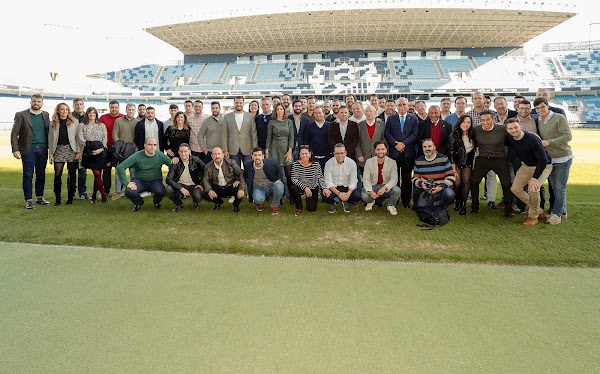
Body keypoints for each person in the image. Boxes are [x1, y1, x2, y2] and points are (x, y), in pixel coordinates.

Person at [505, 118, 553, 226]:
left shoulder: (532, 139)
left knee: (533, 189)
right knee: (515, 189)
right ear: (507, 130)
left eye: (516, 127)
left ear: (520, 126)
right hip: (527, 166)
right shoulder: (510, 138)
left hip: (543, 166)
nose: (514, 130)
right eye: (510, 129)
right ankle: (539, 211)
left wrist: (534, 178)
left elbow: (543, 160)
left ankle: (533, 216)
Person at [534, 97, 573, 225]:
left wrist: (549, 142)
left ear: (548, 106)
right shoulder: (539, 119)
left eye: (542, 107)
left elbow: (568, 136)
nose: (540, 110)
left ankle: (556, 215)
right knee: (556, 188)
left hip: (562, 157)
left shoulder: (559, 117)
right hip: (550, 159)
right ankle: (563, 212)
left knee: (559, 187)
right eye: (537, 108)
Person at [469, 111, 514, 218]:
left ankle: (508, 209)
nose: (485, 122)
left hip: (499, 159)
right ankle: (475, 207)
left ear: (493, 119)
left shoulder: (502, 129)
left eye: (488, 119)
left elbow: (516, 133)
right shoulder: (476, 129)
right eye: (483, 120)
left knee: (506, 183)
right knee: (474, 181)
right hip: (483, 158)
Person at [11, 94, 51, 209]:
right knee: (28, 175)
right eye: (34, 101)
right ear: (30, 102)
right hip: (28, 149)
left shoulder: (45, 115)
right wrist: (15, 149)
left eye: (39, 101)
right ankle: (28, 200)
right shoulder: (21, 115)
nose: (36, 103)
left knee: (41, 174)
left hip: (43, 149)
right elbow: (14, 134)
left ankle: (39, 197)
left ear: (42, 103)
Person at [117, 137, 172, 212]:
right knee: (129, 191)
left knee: (161, 191)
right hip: (140, 181)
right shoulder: (137, 155)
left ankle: (156, 202)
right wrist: (127, 183)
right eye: (150, 144)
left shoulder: (160, 155)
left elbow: (173, 165)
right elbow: (120, 167)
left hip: (155, 181)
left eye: (155, 145)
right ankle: (138, 203)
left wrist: (175, 160)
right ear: (145, 145)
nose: (152, 147)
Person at [385, 97, 420, 208]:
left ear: (408, 106)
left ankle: (405, 201)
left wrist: (403, 144)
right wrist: (396, 144)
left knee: (406, 179)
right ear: (396, 106)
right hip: (394, 154)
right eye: (399, 105)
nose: (402, 107)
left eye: (404, 104)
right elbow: (387, 133)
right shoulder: (391, 119)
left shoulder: (413, 119)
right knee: (394, 179)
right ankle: (394, 200)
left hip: (407, 153)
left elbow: (415, 134)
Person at [48, 103, 80, 205]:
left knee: (72, 174)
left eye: (66, 109)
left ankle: (70, 197)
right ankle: (58, 198)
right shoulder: (53, 123)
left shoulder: (75, 122)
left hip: (71, 150)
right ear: (58, 110)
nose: (64, 111)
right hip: (58, 150)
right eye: (62, 109)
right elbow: (50, 139)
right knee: (57, 175)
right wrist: (51, 154)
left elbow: (77, 138)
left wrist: (78, 151)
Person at [412, 139, 456, 208]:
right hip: (426, 188)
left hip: (441, 187)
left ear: (434, 147)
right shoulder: (418, 161)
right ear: (422, 148)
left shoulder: (444, 159)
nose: (427, 149)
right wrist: (421, 184)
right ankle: (433, 202)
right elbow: (415, 178)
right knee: (421, 207)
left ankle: (441, 204)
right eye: (425, 147)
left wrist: (441, 187)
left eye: (429, 146)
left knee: (449, 194)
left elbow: (451, 177)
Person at [361, 142, 401, 215]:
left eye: (382, 149)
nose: (380, 151)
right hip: (373, 186)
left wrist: (385, 188)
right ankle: (371, 201)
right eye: (378, 149)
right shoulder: (369, 162)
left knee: (397, 190)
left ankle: (391, 205)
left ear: (386, 150)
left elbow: (394, 179)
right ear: (375, 151)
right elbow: (365, 178)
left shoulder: (392, 162)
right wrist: (370, 192)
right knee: (364, 195)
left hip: (385, 186)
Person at [78, 107, 108, 204]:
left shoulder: (101, 125)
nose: (92, 115)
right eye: (90, 113)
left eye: (94, 113)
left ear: (96, 114)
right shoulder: (82, 125)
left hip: (100, 152)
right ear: (87, 114)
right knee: (97, 174)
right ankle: (103, 195)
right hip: (88, 151)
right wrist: (90, 147)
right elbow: (80, 138)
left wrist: (100, 149)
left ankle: (94, 196)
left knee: (98, 174)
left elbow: (105, 138)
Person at [202, 147, 245, 212]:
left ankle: (236, 205)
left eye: (219, 154)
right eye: (215, 154)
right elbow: (205, 180)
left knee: (239, 189)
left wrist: (241, 187)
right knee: (203, 192)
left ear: (222, 155)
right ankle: (218, 202)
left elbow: (241, 173)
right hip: (217, 187)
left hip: (230, 186)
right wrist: (209, 190)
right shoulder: (208, 166)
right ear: (212, 156)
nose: (217, 156)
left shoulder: (231, 162)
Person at [165, 143, 205, 212]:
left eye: (185, 151)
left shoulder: (196, 160)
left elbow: (206, 171)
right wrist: (181, 188)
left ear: (189, 151)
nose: (183, 154)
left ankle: (195, 201)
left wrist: (201, 184)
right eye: (181, 151)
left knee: (198, 196)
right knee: (168, 189)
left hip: (193, 185)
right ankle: (179, 204)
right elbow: (168, 179)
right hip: (180, 184)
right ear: (178, 152)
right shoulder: (175, 162)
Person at [244, 147, 285, 214]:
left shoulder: (271, 162)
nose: (257, 157)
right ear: (252, 156)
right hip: (258, 187)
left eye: (259, 155)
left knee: (280, 186)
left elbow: (279, 169)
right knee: (258, 199)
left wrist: (279, 179)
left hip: (271, 185)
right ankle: (260, 202)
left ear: (263, 156)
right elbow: (245, 176)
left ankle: (275, 205)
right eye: (255, 155)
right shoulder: (247, 165)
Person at [290, 146, 329, 215]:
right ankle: (299, 206)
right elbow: (294, 179)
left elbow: (320, 177)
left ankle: (309, 198)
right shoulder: (295, 164)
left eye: (306, 153)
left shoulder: (316, 164)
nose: (304, 155)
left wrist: (324, 188)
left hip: (312, 186)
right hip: (300, 186)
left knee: (311, 209)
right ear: (299, 155)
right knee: (293, 188)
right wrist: (305, 188)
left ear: (310, 154)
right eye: (302, 154)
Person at [449, 115, 476, 215]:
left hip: (468, 163)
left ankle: (463, 204)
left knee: (466, 181)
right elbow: (451, 153)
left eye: (468, 122)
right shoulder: (454, 135)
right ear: (460, 123)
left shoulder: (473, 134)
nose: (466, 124)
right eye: (464, 122)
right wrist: (454, 170)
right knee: (457, 183)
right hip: (457, 163)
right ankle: (457, 200)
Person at [266, 103, 294, 198]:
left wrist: (290, 150)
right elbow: (269, 138)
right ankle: (279, 195)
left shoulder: (289, 122)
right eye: (278, 109)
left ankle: (290, 195)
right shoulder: (271, 122)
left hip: (286, 150)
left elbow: (291, 137)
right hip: (274, 150)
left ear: (284, 110)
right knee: (278, 174)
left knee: (289, 174)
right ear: (275, 111)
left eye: (281, 109)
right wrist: (267, 151)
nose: (279, 111)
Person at [322, 143, 361, 213]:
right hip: (334, 187)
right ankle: (334, 202)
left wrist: (348, 194)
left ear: (346, 153)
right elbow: (328, 182)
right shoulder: (328, 163)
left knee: (357, 196)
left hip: (347, 186)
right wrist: (339, 194)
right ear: (334, 153)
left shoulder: (352, 163)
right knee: (325, 194)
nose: (340, 156)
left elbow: (353, 181)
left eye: (342, 153)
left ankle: (345, 200)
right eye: (337, 153)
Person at [111, 103, 138, 200]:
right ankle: (118, 191)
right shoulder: (118, 121)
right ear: (126, 110)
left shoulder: (137, 122)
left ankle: (132, 190)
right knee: (119, 170)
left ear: (135, 111)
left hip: (132, 150)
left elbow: (138, 137)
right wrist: (120, 146)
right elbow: (115, 134)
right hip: (121, 150)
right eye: (129, 109)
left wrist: (132, 147)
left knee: (133, 170)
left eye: (132, 110)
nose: (131, 111)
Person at [222, 96, 258, 168]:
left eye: (240, 103)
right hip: (233, 149)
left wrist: (254, 149)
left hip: (247, 149)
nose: (238, 104)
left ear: (243, 103)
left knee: (249, 170)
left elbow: (253, 134)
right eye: (237, 103)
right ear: (234, 103)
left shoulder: (250, 116)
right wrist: (225, 149)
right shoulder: (227, 116)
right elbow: (224, 134)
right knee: (235, 171)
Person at [99, 100, 123, 197]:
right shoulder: (103, 118)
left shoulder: (123, 117)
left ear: (118, 107)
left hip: (119, 148)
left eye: (116, 107)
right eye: (112, 107)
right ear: (109, 108)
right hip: (106, 148)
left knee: (119, 169)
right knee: (106, 169)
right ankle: (106, 190)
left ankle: (119, 191)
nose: (114, 109)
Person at [356, 104, 386, 172]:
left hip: (378, 156)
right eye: (366, 111)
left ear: (375, 113)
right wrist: (359, 154)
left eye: (370, 111)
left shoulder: (382, 125)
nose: (368, 113)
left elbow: (384, 140)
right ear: (364, 112)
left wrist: (384, 154)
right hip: (364, 157)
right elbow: (357, 141)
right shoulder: (359, 125)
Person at [301, 106, 331, 172]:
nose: (318, 115)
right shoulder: (309, 127)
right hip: (313, 158)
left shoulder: (330, 126)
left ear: (323, 113)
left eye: (320, 113)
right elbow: (306, 142)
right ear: (313, 114)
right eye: (316, 113)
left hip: (326, 158)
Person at [70, 98, 88, 199]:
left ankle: (82, 192)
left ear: (83, 105)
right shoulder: (69, 116)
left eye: (81, 104)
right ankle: (71, 192)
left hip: (84, 148)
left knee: (82, 172)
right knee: (71, 171)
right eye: (76, 104)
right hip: (72, 148)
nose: (79, 106)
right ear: (73, 106)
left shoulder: (88, 116)